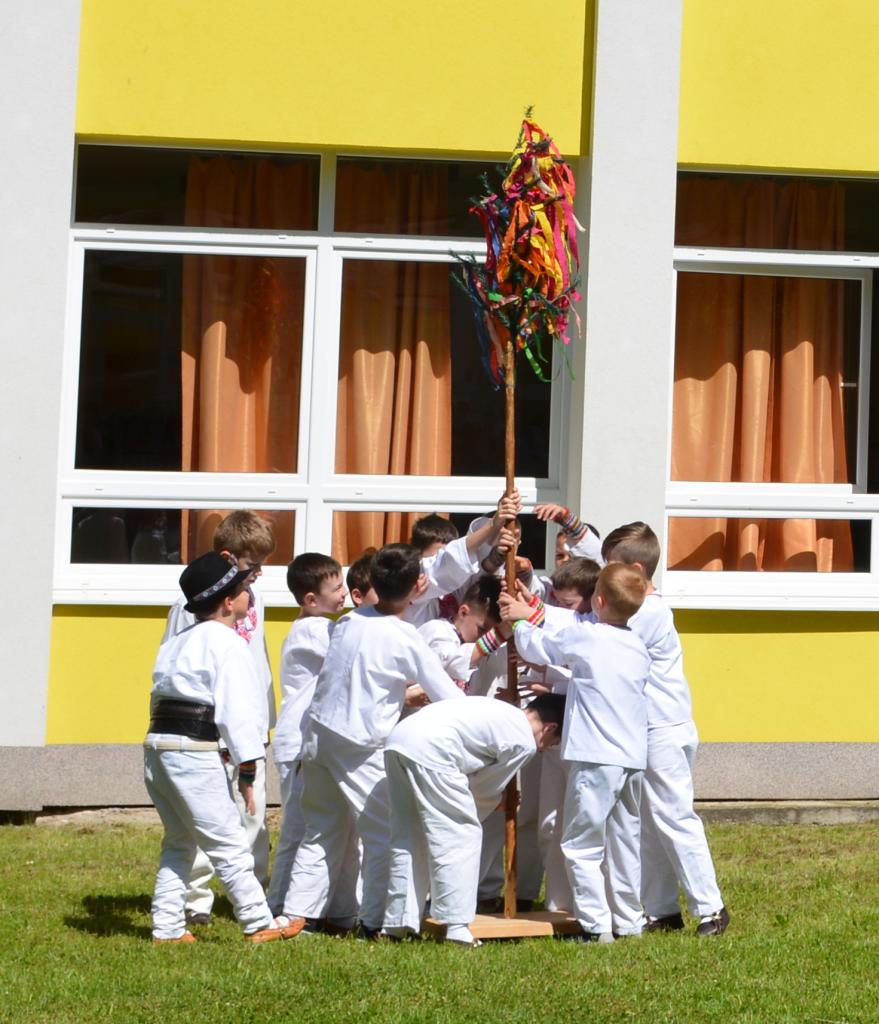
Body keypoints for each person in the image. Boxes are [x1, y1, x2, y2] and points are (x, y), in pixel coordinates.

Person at [281, 543, 467, 936]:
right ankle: (373, 919)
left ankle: (299, 915)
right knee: (383, 832)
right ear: (417, 586)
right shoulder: (404, 636)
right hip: (359, 744)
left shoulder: (349, 621)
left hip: (320, 736)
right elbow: (447, 696)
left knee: (321, 828)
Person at [144, 552, 299, 944]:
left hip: (158, 748)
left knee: (179, 840)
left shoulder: (176, 643)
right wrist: (248, 769)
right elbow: (239, 712)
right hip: (192, 752)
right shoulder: (228, 644)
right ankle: (258, 922)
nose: (249, 594)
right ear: (228, 602)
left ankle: (167, 926)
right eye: (243, 588)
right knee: (229, 841)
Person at [501, 562, 650, 942]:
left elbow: (540, 647)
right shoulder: (637, 646)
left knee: (581, 844)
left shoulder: (589, 636)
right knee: (623, 842)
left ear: (598, 601)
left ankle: (595, 925)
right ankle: (629, 921)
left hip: (595, 756)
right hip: (632, 757)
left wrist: (520, 621)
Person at [602, 521, 730, 937]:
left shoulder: (647, 612)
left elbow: (597, 639)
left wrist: (535, 616)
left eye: (611, 567)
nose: (605, 576)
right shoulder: (637, 605)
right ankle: (662, 909)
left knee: (674, 816)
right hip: (645, 728)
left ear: (637, 571)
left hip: (663, 728)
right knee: (648, 822)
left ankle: (711, 908)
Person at [162, 510, 277, 925]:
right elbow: (178, 662)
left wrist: (262, 716)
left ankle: (250, 888)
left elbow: (256, 660)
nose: (259, 573)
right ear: (228, 557)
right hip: (205, 730)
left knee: (251, 810)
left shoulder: (253, 600)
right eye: (252, 565)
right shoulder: (190, 605)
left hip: (246, 723)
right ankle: (195, 899)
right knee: (202, 814)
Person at [382, 693, 566, 946]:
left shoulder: (504, 712)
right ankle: (456, 925)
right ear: (550, 728)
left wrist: (491, 794)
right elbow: (484, 789)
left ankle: (397, 924)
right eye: (553, 742)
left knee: (409, 834)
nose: (545, 749)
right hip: (434, 748)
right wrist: (499, 799)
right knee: (462, 834)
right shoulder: (524, 742)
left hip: (399, 740)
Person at [266, 552, 347, 917]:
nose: (343, 594)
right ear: (311, 599)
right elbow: (348, 661)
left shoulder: (316, 625)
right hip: (298, 741)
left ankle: (299, 901)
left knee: (305, 825)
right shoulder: (314, 629)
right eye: (337, 588)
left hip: (300, 740)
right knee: (298, 828)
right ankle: (277, 903)